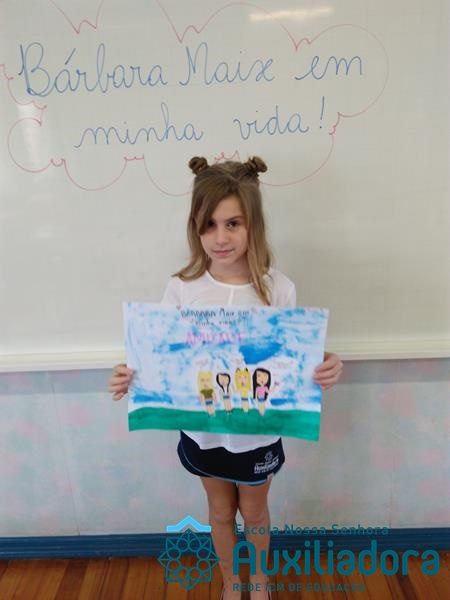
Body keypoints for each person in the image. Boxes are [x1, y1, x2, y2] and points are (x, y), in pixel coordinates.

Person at [109, 156, 343, 600]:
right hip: (204, 432)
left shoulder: (278, 289)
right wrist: (129, 374)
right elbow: (161, 353)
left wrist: (327, 361)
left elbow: (294, 355)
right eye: (209, 225)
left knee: (255, 513)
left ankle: (260, 581)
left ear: (253, 224)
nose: (221, 237)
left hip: (256, 433)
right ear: (195, 228)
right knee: (219, 513)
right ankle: (231, 581)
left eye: (233, 223)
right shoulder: (182, 287)